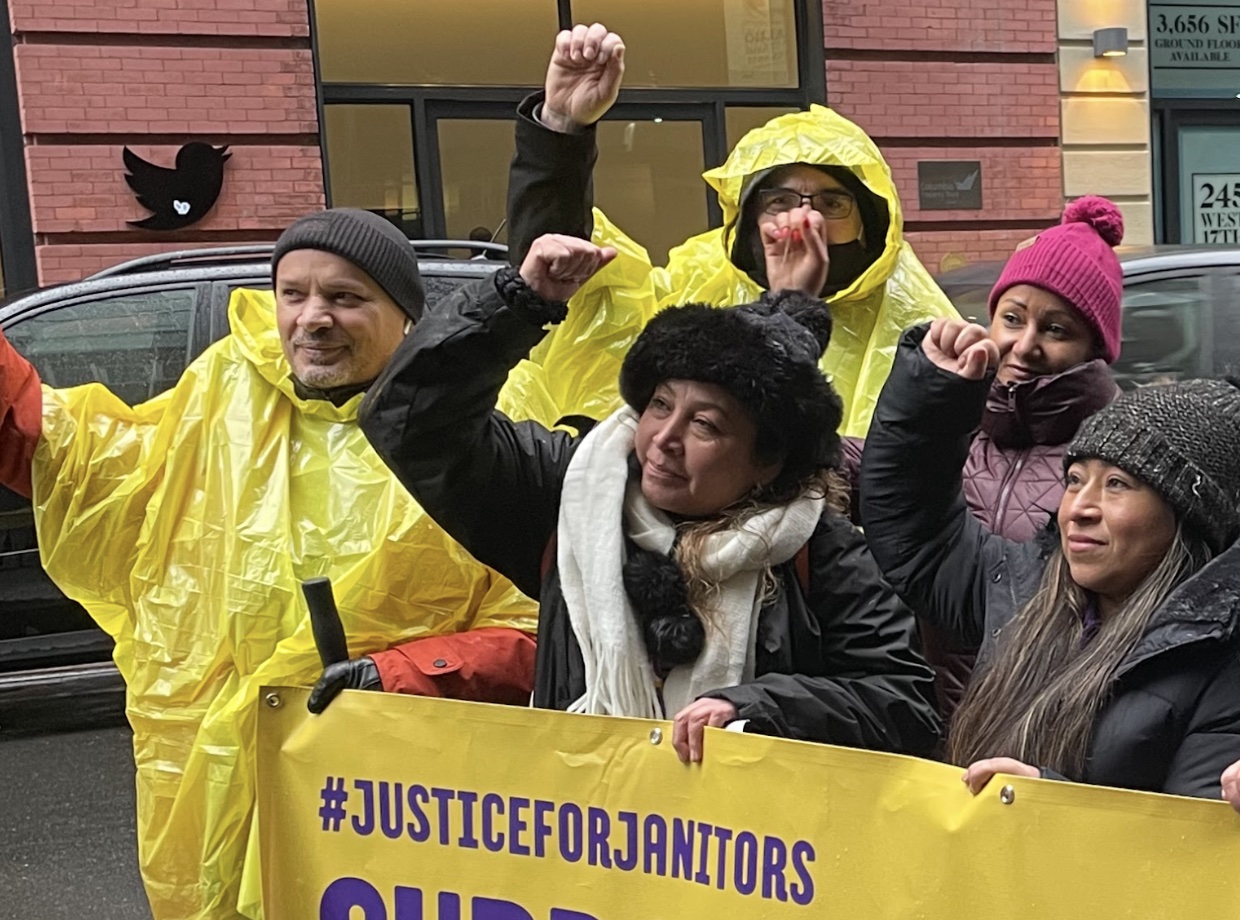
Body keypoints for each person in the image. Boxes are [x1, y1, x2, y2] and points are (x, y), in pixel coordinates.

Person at [0, 208, 558, 920]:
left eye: (345, 297)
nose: (312, 318)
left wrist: (395, 676)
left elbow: (547, 626)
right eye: (293, 294)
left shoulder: (481, 427)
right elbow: (58, 447)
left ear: (406, 318)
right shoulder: (222, 400)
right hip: (218, 783)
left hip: (400, 794)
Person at [316, 226, 941, 764]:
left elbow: (904, 704)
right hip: (593, 850)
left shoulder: (816, 547)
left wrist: (755, 708)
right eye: (659, 406)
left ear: (766, 463)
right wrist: (517, 303)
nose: (663, 439)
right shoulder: (571, 495)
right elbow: (410, 419)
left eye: (705, 425)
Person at [503, 23, 959, 435]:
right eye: (779, 201)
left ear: (868, 224)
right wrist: (559, 131)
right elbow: (574, 291)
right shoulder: (695, 287)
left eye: (832, 202)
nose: (805, 219)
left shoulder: (917, 329)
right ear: (749, 221)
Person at [860, 316, 1240, 796]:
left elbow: (1189, 843)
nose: (1079, 509)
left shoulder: (1222, 657)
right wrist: (935, 394)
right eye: (1075, 479)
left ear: (1190, 517)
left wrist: (1050, 806)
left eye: (1117, 485)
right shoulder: (1021, 586)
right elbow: (916, 531)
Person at [892, 196, 1126, 725]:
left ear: (1095, 346)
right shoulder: (955, 427)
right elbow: (868, 463)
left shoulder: (1110, 459)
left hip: (1041, 744)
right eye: (1012, 318)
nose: (1024, 345)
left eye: (1057, 329)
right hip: (932, 734)